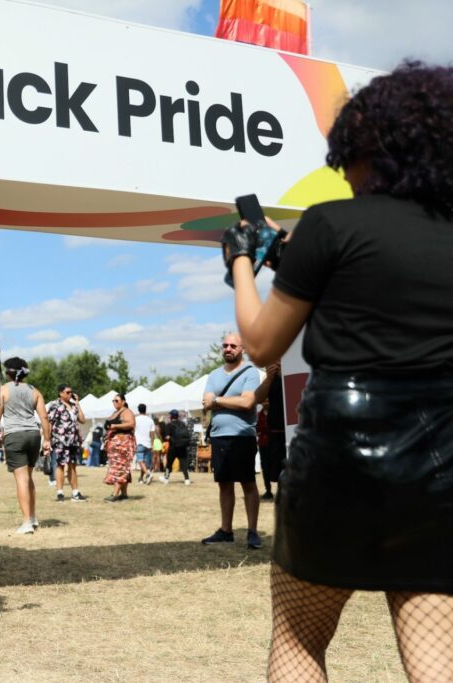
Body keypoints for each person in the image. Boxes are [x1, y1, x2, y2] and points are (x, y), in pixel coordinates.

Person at [221, 62, 453, 681]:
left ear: (365, 147)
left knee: (299, 645)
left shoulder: (332, 223)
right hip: (438, 467)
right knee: (435, 659)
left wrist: (243, 260)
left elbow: (263, 344)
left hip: (337, 463)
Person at [200, 333, 262, 549]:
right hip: (218, 436)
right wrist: (225, 402)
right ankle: (226, 530)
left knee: (248, 483)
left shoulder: (250, 372)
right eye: (225, 345)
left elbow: (247, 402)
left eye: (233, 345)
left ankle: (253, 531)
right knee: (224, 484)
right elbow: (206, 403)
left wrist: (217, 400)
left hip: (242, 436)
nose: (228, 348)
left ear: (242, 348)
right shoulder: (214, 375)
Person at [0, 357, 51, 534]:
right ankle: (32, 517)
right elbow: (44, 418)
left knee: (21, 479)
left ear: (7, 372)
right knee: (29, 477)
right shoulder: (35, 391)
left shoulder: (2, 390)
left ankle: (26, 523)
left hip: (14, 435)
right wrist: (47, 439)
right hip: (33, 435)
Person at [46, 384, 87, 502]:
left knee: (73, 466)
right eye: (68, 392)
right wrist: (47, 440)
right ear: (61, 393)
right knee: (60, 465)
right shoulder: (55, 405)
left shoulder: (74, 406)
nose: (70, 394)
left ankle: (75, 493)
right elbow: (49, 423)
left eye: (71, 392)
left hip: (73, 441)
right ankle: (60, 493)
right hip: (59, 440)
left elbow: (83, 420)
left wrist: (78, 403)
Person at [256, 364, 285, 501]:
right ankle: (273, 491)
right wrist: (268, 378)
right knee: (271, 468)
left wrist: (282, 375)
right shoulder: (269, 376)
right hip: (274, 432)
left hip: (291, 431)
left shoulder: (292, 370)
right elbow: (258, 398)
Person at [103, 395, 135, 502]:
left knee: (119, 468)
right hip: (115, 445)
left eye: (116, 400)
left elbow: (131, 424)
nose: (114, 402)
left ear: (123, 401)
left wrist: (115, 426)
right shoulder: (115, 412)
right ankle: (124, 494)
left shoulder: (127, 412)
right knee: (122, 468)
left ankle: (115, 493)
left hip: (123, 444)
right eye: (113, 401)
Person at [160, 409, 192, 485]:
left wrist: (170, 438)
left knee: (169, 464)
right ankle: (187, 479)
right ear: (177, 416)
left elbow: (167, 437)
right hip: (182, 447)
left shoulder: (169, 425)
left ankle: (166, 478)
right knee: (183, 464)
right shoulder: (183, 424)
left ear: (171, 416)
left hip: (173, 447)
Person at [133, 403, 155, 484]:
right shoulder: (150, 420)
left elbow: (133, 431)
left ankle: (148, 474)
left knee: (140, 461)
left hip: (139, 443)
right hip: (148, 443)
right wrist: (152, 444)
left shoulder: (135, 419)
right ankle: (141, 479)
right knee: (144, 463)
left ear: (138, 410)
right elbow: (152, 433)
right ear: (145, 410)